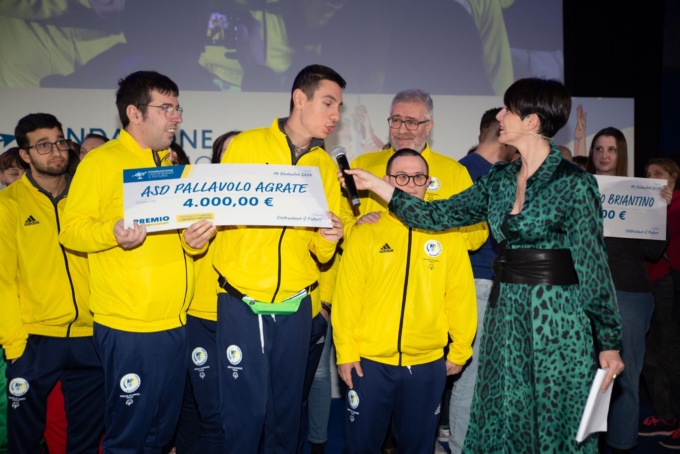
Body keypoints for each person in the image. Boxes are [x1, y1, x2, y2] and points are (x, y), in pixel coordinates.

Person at [340, 77, 624, 453]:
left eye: (508, 110)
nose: (500, 116)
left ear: (532, 121)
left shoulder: (575, 184)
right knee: (500, 420)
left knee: (551, 423)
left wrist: (609, 341)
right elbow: (437, 215)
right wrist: (382, 187)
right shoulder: (499, 180)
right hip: (504, 316)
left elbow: (593, 265)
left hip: (557, 320)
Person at [59, 70, 215, 452]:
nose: (177, 117)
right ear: (134, 113)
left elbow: (181, 242)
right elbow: (70, 232)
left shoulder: (171, 168)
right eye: (167, 108)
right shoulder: (101, 162)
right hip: (128, 326)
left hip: (176, 322)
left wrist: (194, 243)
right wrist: (111, 232)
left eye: (178, 108)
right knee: (128, 435)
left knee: (161, 433)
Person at [203, 64, 345, 453]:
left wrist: (329, 238)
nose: (336, 115)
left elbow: (320, 252)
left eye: (339, 107)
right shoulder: (246, 145)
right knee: (245, 415)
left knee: (287, 414)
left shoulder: (324, 166)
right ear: (300, 98)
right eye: (328, 103)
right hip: (243, 299)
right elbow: (217, 215)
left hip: (296, 303)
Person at [333, 148, 476, 453]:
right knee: (360, 446)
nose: (410, 184)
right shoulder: (365, 233)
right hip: (369, 364)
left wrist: (461, 349)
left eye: (418, 177)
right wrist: (345, 351)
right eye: (401, 177)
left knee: (418, 447)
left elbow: (460, 296)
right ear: (386, 181)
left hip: (426, 365)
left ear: (429, 181)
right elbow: (347, 298)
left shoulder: (448, 235)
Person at [0, 113, 104, 453]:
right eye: (43, 145)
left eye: (59, 142)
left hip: (91, 336)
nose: (56, 151)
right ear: (25, 155)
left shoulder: (87, 197)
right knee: (24, 441)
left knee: (86, 440)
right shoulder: (8, 204)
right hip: (34, 339)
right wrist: (15, 346)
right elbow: (3, 281)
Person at [585, 127, 668, 453]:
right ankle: (583, 445)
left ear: (621, 154)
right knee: (584, 376)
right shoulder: (579, 189)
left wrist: (658, 210)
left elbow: (653, 251)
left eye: (611, 149)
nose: (604, 155)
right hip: (585, 295)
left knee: (626, 377)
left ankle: (621, 445)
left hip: (630, 295)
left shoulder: (641, 193)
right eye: (598, 149)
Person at [447, 107, 516, 454]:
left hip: (478, 283)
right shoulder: (483, 175)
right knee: (473, 378)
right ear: (503, 135)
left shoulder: (459, 169)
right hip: (481, 283)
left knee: (476, 376)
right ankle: (461, 446)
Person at [642, 157, 680, 450]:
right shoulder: (645, 204)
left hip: (668, 282)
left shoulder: (675, 204)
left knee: (670, 351)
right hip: (645, 283)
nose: (652, 178)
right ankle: (665, 416)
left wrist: (662, 207)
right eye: (647, 174)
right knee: (651, 354)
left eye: (658, 173)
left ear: (673, 177)